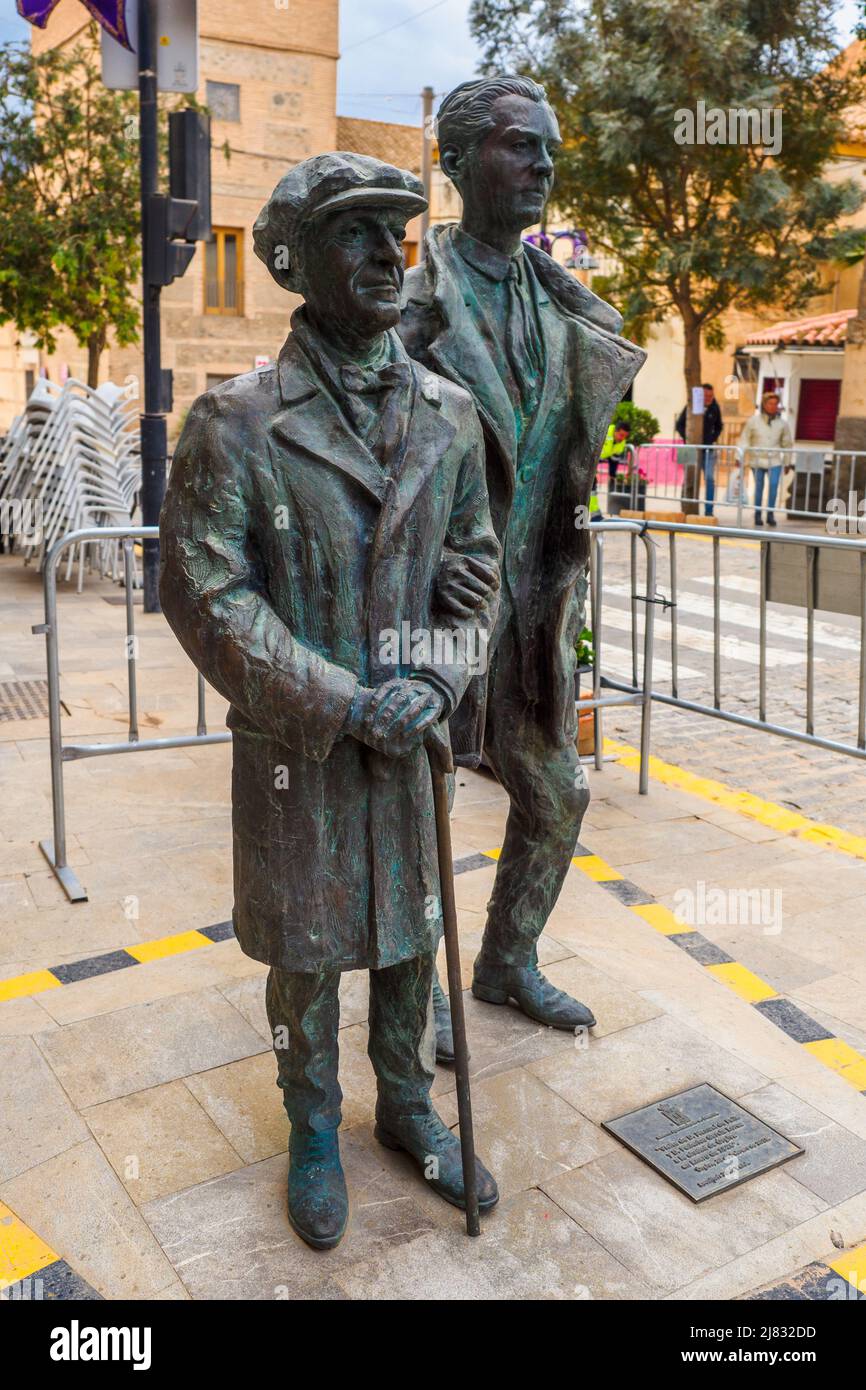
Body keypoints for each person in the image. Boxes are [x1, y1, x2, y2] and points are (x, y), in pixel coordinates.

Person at [159, 154, 501, 1251]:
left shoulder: (448, 414)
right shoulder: (236, 422)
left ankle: (405, 1106)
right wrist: (342, 698)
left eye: (394, 233)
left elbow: (472, 569)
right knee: (304, 950)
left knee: (409, 934)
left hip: (409, 731)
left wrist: (436, 675)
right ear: (291, 261)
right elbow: (205, 591)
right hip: (293, 746)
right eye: (353, 233)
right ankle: (312, 1127)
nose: (385, 253)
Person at [400, 76, 645, 1058]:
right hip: (432, 598)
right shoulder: (407, 308)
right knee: (416, 797)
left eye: (549, 147)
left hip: (538, 593)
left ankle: (505, 957)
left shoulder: (565, 309)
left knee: (556, 790)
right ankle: (410, 988)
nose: (543, 162)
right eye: (519, 145)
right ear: (456, 165)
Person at [738, 390, 793, 526]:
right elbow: (745, 439)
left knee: (774, 486)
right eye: (770, 403)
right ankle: (757, 514)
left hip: (774, 461)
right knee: (759, 488)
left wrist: (787, 462)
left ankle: (770, 514)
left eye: (775, 404)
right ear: (764, 405)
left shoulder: (782, 424)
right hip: (757, 460)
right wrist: (739, 456)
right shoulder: (753, 421)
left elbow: (787, 444)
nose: (773, 406)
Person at [676, 383, 722, 516]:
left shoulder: (715, 407)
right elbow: (679, 425)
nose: (709, 398)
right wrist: (689, 439)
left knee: (709, 478)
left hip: (707, 449)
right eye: (706, 395)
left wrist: (711, 439)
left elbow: (719, 426)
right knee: (688, 478)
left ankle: (709, 511)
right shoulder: (691, 406)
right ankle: (685, 508)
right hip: (689, 448)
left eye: (711, 395)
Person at [601, 419, 632, 495]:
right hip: (587, 459)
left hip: (596, 460)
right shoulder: (604, 431)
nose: (622, 438)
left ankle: (592, 506)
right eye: (621, 435)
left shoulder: (621, 443)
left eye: (625, 436)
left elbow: (614, 459)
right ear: (615, 431)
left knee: (592, 486)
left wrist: (612, 475)